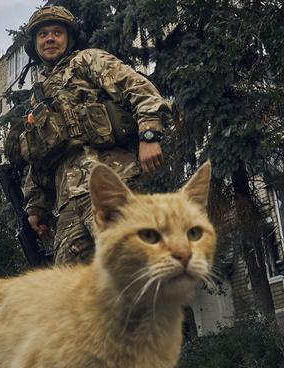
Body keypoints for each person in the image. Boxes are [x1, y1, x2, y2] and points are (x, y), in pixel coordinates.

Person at [19, 5, 172, 265]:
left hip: (112, 182)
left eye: (57, 32)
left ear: (68, 37)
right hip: (69, 202)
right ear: (35, 44)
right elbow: (40, 155)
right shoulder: (39, 95)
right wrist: (36, 206)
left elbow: (138, 88)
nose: (50, 39)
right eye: (43, 34)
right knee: (68, 288)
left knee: (132, 265)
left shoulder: (88, 60)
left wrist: (149, 135)